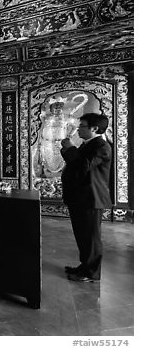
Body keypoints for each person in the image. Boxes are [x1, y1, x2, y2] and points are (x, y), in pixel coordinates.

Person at [60, 113, 112, 282]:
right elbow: (76, 165)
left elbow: (83, 166)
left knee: (91, 238)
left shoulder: (101, 146)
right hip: (80, 198)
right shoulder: (87, 145)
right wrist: (69, 149)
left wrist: (69, 148)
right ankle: (85, 266)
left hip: (91, 198)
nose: (78, 129)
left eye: (82, 126)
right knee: (82, 235)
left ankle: (92, 273)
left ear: (94, 128)